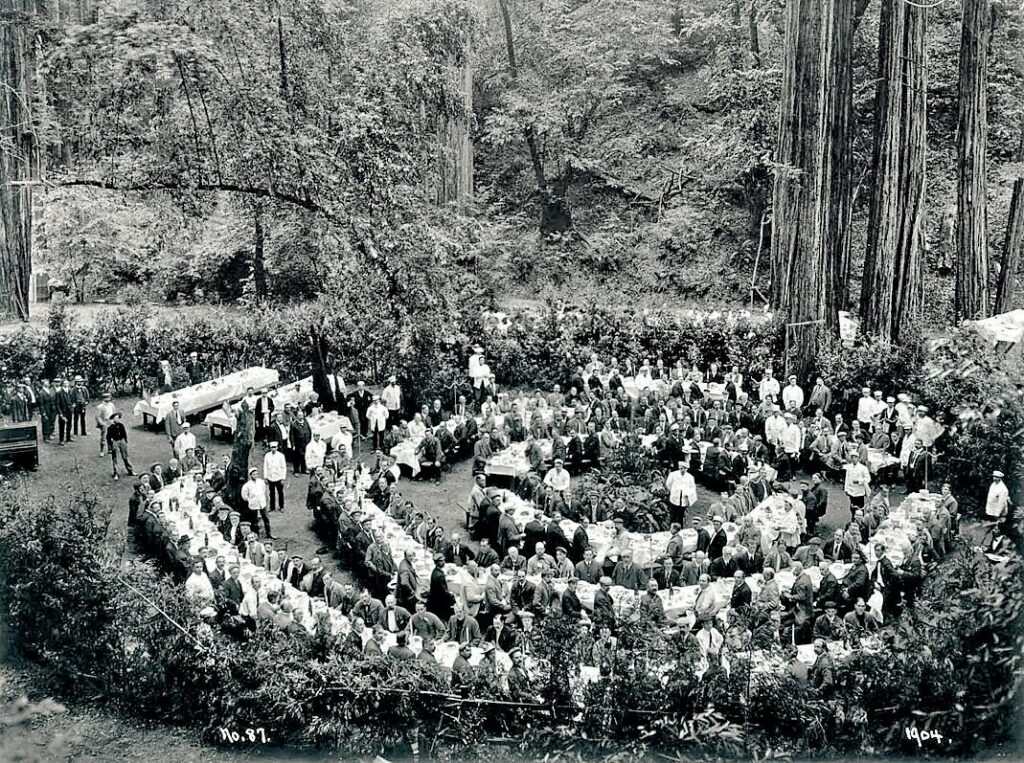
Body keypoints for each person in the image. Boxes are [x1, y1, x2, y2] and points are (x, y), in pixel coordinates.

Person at [241, 467, 273, 539]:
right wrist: (250, 500)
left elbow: (263, 490)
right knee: (255, 521)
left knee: (266, 519)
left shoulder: (261, 482)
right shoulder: (247, 485)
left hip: (262, 503)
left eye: (256, 474)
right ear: (250, 475)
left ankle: (269, 534)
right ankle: (256, 535)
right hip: (253, 505)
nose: (255, 475)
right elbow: (244, 495)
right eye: (253, 474)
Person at [665, 460, 697, 526]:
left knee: (680, 517)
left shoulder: (690, 477)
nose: (683, 470)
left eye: (685, 468)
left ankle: (680, 529)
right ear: (679, 468)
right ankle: (671, 528)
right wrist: (673, 491)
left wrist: (688, 494)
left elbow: (692, 488)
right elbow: (668, 484)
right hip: (674, 498)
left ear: (687, 469)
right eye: (681, 468)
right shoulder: (673, 475)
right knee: (673, 516)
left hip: (683, 500)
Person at [104, 411, 134, 480]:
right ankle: (116, 473)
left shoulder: (121, 425)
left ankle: (130, 471)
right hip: (115, 442)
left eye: (118, 418)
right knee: (115, 458)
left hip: (122, 441)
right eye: (115, 418)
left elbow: (124, 434)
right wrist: (110, 447)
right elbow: (108, 438)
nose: (117, 419)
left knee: (125, 457)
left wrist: (125, 441)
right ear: (113, 419)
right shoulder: (110, 427)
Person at [263, 441, 287, 512]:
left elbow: (283, 467)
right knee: (271, 493)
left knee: (280, 493)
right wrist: (265, 477)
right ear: (270, 448)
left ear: (277, 448)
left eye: (275, 447)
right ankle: (272, 506)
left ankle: (281, 506)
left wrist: (283, 478)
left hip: (279, 477)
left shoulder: (281, 456)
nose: (273, 449)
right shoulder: (267, 455)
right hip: (270, 477)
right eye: (272, 448)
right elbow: (265, 467)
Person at [55, 378, 74, 445]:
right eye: (65, 383)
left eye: (67, 383)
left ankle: (68, 437)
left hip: (69, 411)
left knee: (69, 425)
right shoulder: (59, 393)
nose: (66, 384)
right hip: (63, 411)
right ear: (62, 384)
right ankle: (61, 440)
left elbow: (72, 400)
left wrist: (72, 406)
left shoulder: (70, 391)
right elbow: (57, 404)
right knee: (62, 426)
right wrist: (60, 413)